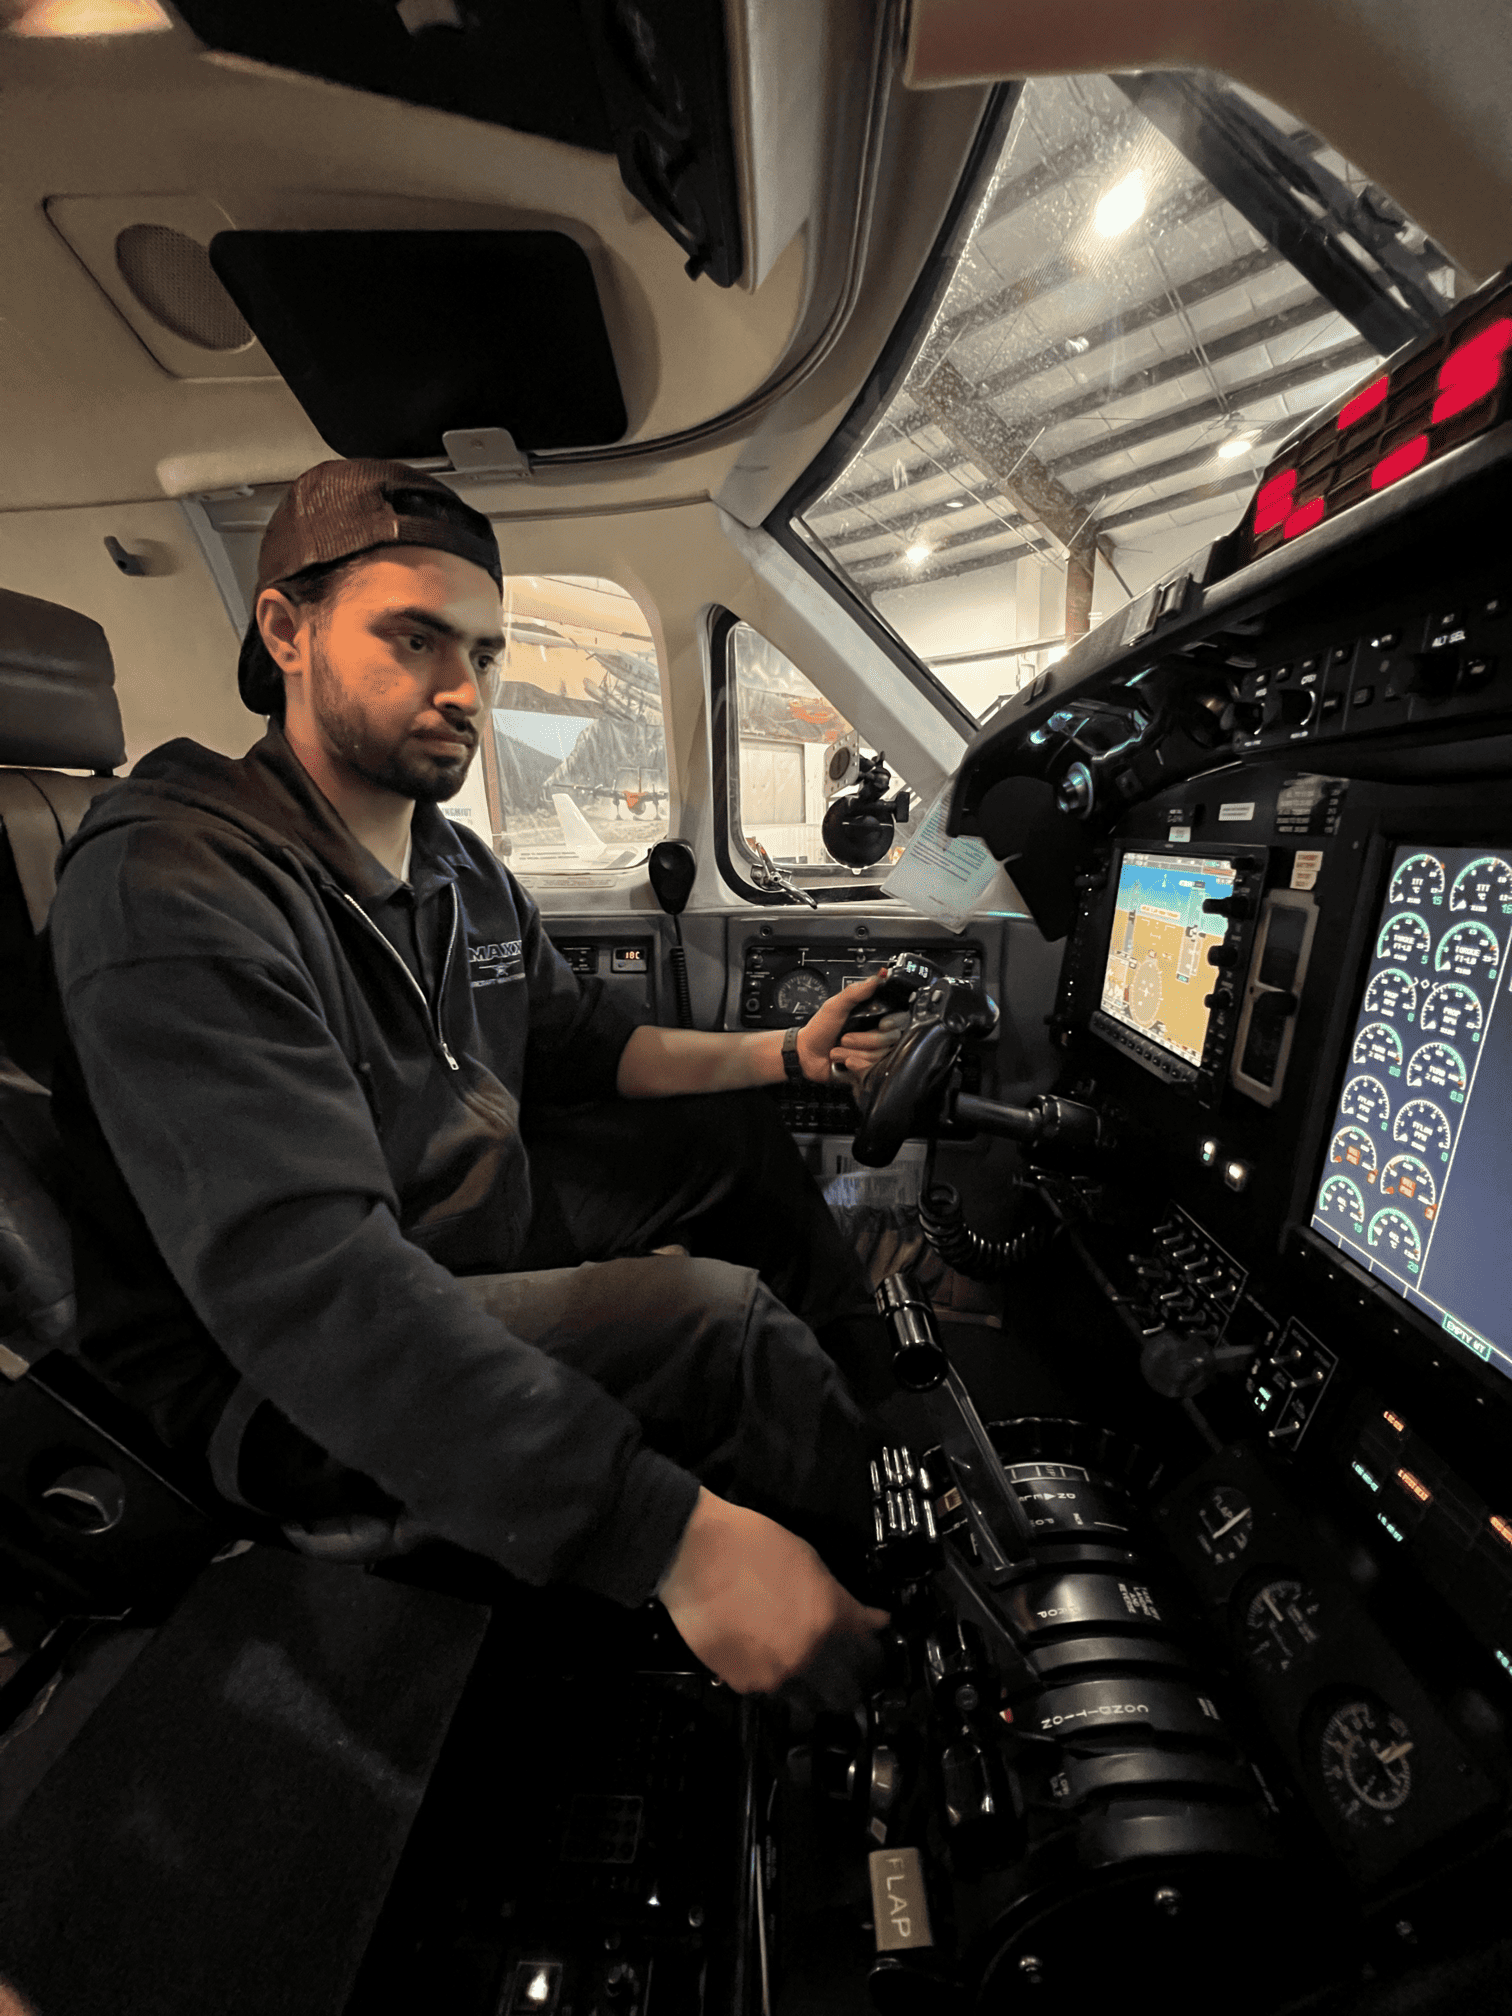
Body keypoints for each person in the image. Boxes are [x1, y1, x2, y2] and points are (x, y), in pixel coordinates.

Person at [48, 460, 900, 1695]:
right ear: (285, 631)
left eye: (487, 655)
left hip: (449, 1230)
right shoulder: (169, 891)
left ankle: (890, 1426)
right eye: (414, 639)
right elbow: (318, 1292)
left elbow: (588, 1047)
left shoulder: (454, 867)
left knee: (730, 1136)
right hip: (277, 1374)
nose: (464, 692)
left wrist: (784, 1055)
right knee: (719, 1328)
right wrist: (670, 1534)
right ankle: (896, 1624)